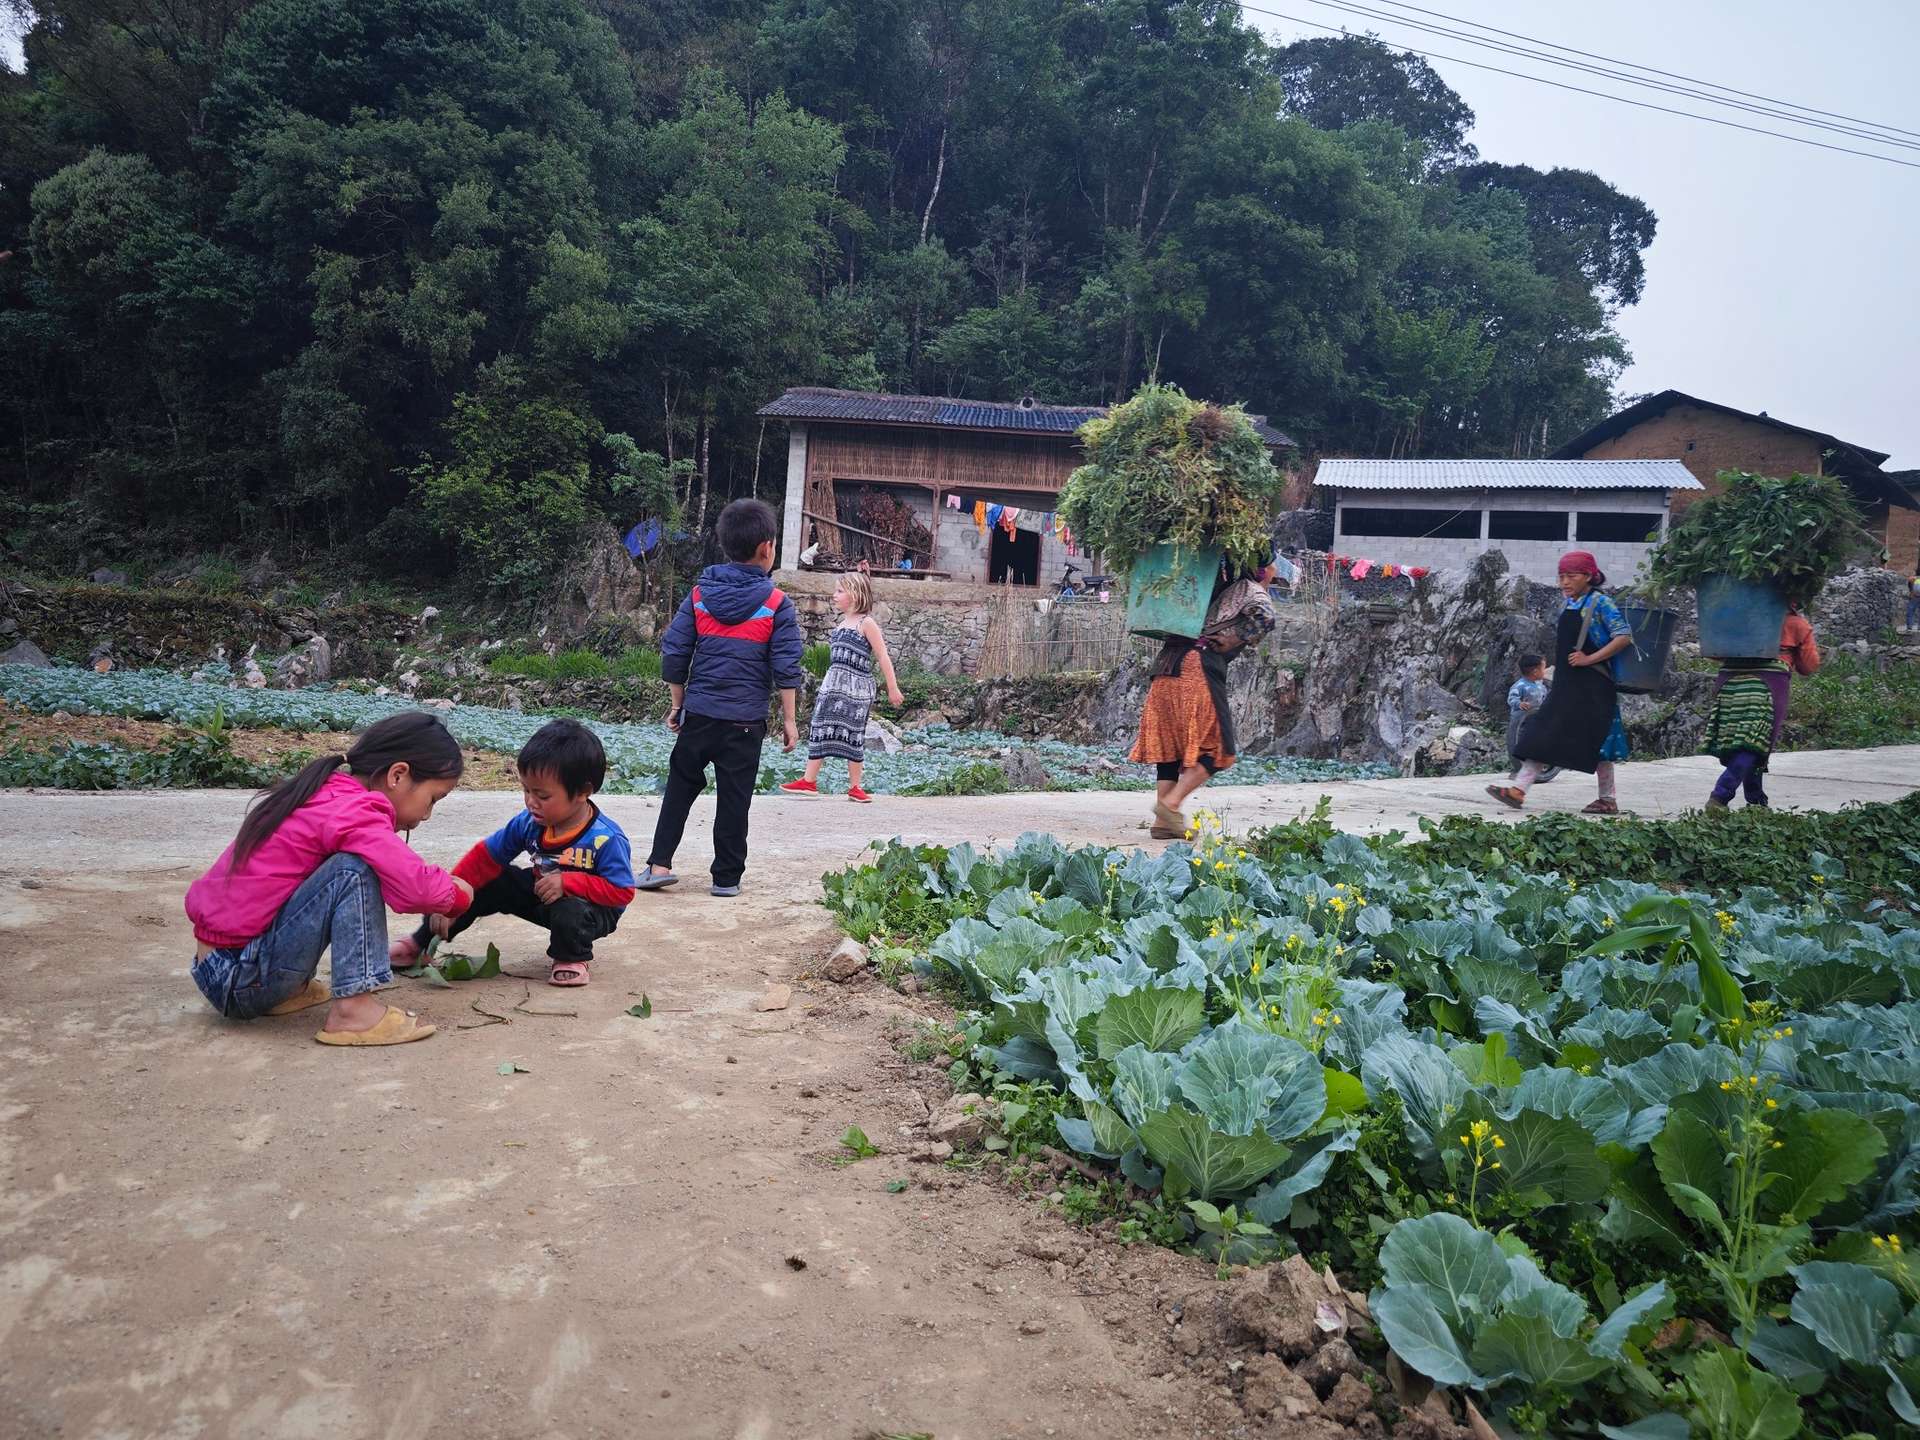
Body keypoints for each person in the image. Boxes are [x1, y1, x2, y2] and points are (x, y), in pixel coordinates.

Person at [184, 712, 472, 1046]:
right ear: (398, 775)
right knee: (353, 870)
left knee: (348, 867)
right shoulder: (354, 812)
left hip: (221, 968)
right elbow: (413, 888)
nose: (426, 814)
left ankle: (288, 989)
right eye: (432, 799)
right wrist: (459, 894)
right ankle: (354, 1010)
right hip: (240, 977)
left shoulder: (327, 794)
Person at [639, 498, 802, 897]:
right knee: (734, 798)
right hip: (745, 722)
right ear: (767, 547)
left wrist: (678, 705)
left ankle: (659, 864)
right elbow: (786, 667)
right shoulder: (777, 604)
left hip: (700, 714)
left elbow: (675, 654)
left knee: (679, 786)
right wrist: (790, 720)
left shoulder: (698, 596)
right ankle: (726, 878)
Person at [392, 719, 634, 987]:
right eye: (526, 790)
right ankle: (421, 943)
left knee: (570, 909)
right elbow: (487, 857)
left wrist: (569, 882)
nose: (531, 801)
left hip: (590, 911)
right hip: (542, 893)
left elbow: (621, 892)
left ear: (582, 793)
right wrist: (451, 897)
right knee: (485, 882)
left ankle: (570, 957)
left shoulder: (606, 838)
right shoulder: (528, 822)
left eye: (542, 795)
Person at [1131, 557, 1279, 839]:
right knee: (1220, 748)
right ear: (1263, 569)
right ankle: (1170, 805)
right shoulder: (1250, 589)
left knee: (1171, 745)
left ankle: (1165, 823)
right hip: (1196, 668)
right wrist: (1234, 639)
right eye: (1273, 566)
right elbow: (1265, 616)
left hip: (1165, 665)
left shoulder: (1206, 584)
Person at [1487, 551, 1634, 816]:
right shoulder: (1569, 604)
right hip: (1569, 684)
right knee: (1546, 730)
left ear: (1588, 576)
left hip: (1594, 685)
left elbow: (1623, 637)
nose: (1565, 582)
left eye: (1571, 576)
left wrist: (1589, 658)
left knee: (1597, 741)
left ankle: (1607, 800)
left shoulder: (1601, 603)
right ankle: (1519, 790)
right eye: (1561, 576)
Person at [779, 571, 905, 803]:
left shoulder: (866, 623)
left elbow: (883, 655)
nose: (834, 595)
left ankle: (855, 786)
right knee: (820, 725)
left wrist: (892, 687)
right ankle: (809, 780)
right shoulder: (841, 624)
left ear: (855, 595)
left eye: (839, 591)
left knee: (853, 732)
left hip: (857, 688)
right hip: (833, 686)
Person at [1703, 606, 1821, 811]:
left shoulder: (1734, 615)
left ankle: (1756, 800)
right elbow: (1808, 666)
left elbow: (1714, 652)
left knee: (1741, 741)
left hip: (1728, 682)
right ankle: (1720, 795)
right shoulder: (1796, 624)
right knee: (1755, 743)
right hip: (1768, 684)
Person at [1505, 655, 1554, 781]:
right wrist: (1519, 704)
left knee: (1535, 744)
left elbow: (1545, 697)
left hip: (1536, 719)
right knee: (1519, 745)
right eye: (1544, 668)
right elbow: (1511, 699)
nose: (1546, 671)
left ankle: (1537, 770)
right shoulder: (1519, 685)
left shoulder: (1540, 685)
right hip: (1521, 722)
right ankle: (1518, 769)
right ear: (1535, 672)